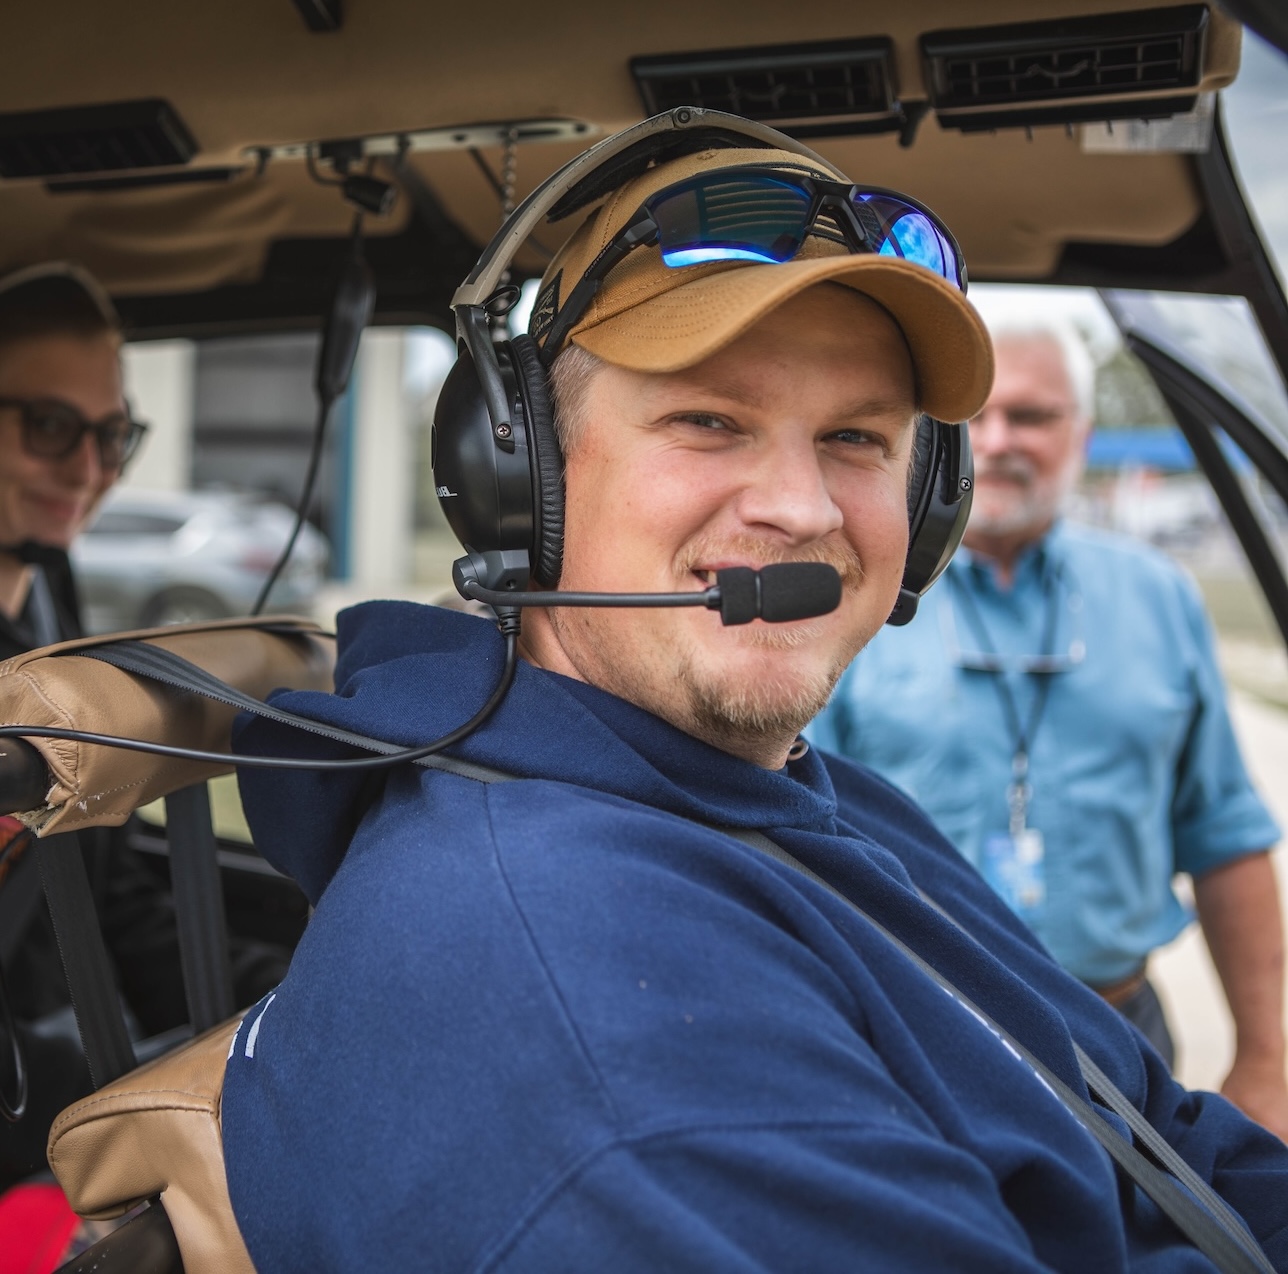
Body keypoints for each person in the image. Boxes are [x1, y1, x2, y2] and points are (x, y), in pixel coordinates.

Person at [221, 129, 1288, 1272]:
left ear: (927, 510)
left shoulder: (795, 798)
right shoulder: (600, 1034)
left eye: (855, 438)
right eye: (709, 419)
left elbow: (1165, 1137)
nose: (800, 508)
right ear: (518, 470)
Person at [809, 313, 1288, 1140]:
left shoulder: (1160, 597)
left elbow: (1225, 837)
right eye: (974, 419)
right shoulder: (850, 591)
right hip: (914, 1038)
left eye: (1031, 416)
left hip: (1123, 1036)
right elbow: (802, 841)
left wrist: (1267, 1061)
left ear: (1084, 432)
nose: (997, 442)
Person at [0, 263, 286, 1192]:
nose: (88, 470)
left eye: (113, 434)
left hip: (84, 1050)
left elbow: (107, 884)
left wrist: (302, 985)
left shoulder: (49, 602)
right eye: (49, 427)